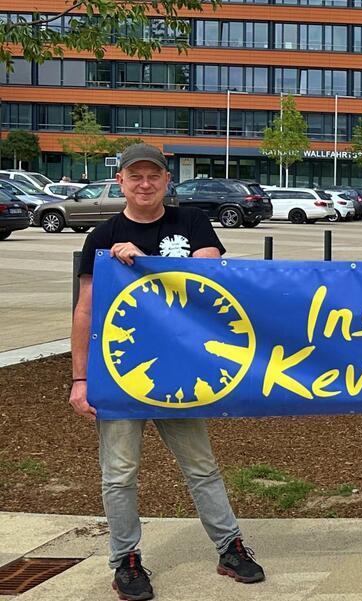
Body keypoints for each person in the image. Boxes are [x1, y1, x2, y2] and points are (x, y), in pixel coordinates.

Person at [70, 143, 265, 601]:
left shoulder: (191, 221)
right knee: (119, 473)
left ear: (166, 180)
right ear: (119, 182)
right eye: (134, 177)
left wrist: (149, 261)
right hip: (121, 372)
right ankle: (126, 561)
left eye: (152, 176)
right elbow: (85, 308)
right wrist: (80, 379)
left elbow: (211, 272)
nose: (144, 184)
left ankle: (229, 545)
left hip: (182, 374)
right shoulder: (102, 237)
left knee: (201, 466)